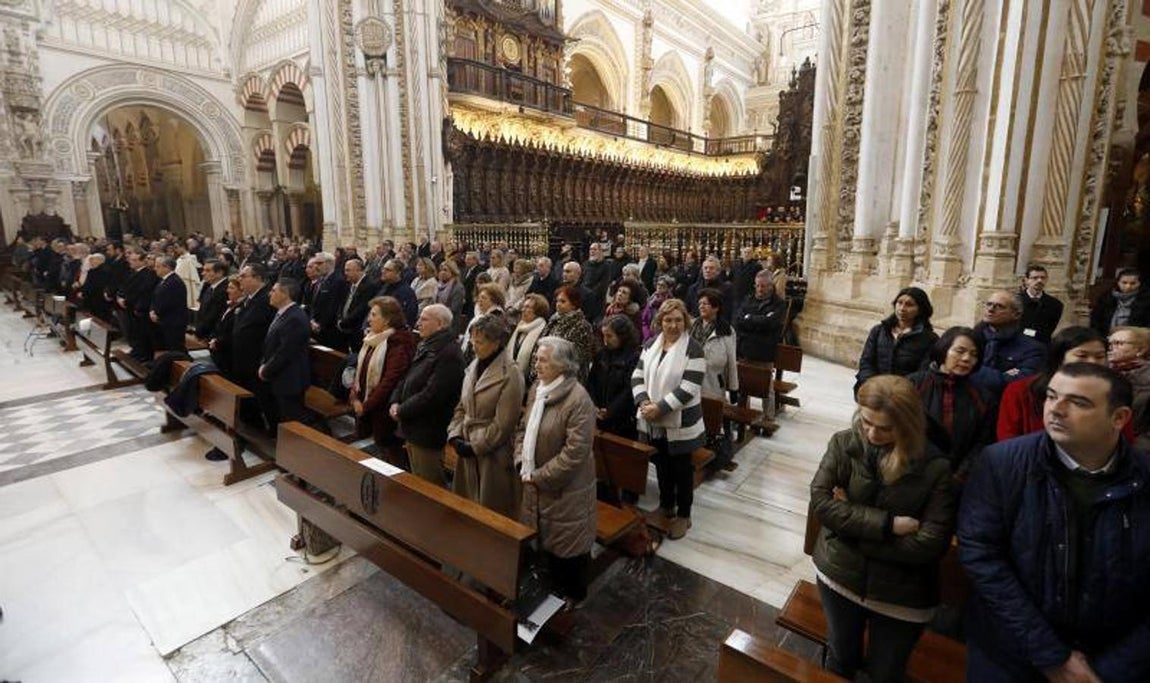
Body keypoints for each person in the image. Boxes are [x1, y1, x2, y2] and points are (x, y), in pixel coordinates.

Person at [959, 363, 1150, 681]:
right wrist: (1052, 656)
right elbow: (982, 556)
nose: (1056, 409)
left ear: (1119, 418)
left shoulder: (1144, 479)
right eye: (1051, 396)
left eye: (1078, 402)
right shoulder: (1002, 464)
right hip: (1011, 655)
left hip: (1111, 661)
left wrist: (1113, 669)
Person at [810, 375, 957, 682]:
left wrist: (848, 526)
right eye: (866, 422)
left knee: (886, 673)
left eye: (885, 428)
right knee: (839, 659)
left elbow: (930, 543)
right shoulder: (843, 442)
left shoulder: (936, 468)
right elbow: (822, 503)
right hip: (839, 578)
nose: (872, 433)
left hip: (902, 596)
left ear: (908, 425)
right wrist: (888, 525)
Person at [514, 336, 598, 602]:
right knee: (543, 548)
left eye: (543, 360)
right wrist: (520, 460)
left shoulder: (578, 399)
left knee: (568, 553)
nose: (536, 365)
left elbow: (575, 454)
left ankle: (573, 600)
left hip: (565, 492)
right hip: (534, 483)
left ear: (562, 366)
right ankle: (548, 599)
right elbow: (522, 430)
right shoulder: (538, 389)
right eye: (537, 358)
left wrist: (538, 477)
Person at [632, 298, 706, 540]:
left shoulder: (693, 348)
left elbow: (690, 387)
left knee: (682, 470)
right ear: (659, 321)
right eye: (668, 320)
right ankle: (666, 505)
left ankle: (684, 514)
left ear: (685, 321)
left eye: (678, 320)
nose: (673, 325)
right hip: (653, 419)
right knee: (662, 465)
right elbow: (637, 375)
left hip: (680, 421)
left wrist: (660, 408)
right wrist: (644, 402)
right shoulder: (651, 344)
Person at [448, 315, 525, 518]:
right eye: (472, 340)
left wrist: (476, 447)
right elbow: (461, 405)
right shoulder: (475, 364)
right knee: (465, 509)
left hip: (492, 455)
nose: (474, 346)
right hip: (467, 444)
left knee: (490, 513)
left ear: (496, 342)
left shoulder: (511, 373)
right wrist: (455, 435)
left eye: (479, 341)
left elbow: (504, 424)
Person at [389, 304, 465, 486]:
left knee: (429, 485)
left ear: (439, 324)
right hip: (414, 425)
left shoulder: (449, 354)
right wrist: (395, 401)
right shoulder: (427, 345)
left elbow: (432, 395)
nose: (418, 323)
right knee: (417, 482)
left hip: (428, 430)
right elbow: (407, 376)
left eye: (424, 319)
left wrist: (401, 410)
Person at [907, 327, 997, 479]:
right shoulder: (913, 385)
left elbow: (983, 442)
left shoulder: (983, 397)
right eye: (960, 351)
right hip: (911, 473)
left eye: (974, 354)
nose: (967, 359)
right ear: (944, 350)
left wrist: (960, 476)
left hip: (956, 479)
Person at [997, 326, 1107, 441]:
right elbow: (1008, 440)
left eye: (1100, 357)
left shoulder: (1112, 391)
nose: (1093, 362)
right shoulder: (1020, 390)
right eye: (1082, 356)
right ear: (1060, 358)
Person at [350, 296, 417, 468]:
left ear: (387, 320)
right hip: (371, 404)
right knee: (382, 452)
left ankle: (399, 487)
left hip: (385, 408)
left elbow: (390, 380)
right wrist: (355, 395)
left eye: (373, 315)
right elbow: (361, 371)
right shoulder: (374, 338)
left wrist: (366, 405)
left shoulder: (399, 343)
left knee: (392, 454)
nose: (369, 319)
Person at [855, 287, 938, 394]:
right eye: (899, 303)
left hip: (904, 395)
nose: (902, 308)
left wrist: (895, 389)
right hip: (873, 391)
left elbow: (923, 373)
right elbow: (866, 362)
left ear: (920, 309)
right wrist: (873, 384)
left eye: (909, 305)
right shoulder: (879, 331)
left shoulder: (930, 339)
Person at [733, 270, 787, 429]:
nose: (760, 289)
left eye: (763, 286)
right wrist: (758, 321)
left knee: (766, 386)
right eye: (757, 286)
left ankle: (769, 418)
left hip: (764, 351)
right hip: (745, 349)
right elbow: (738, 320)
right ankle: (742, 414)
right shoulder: (748, 299)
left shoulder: (778, 304)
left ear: (771, 286)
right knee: (742, 385)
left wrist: (750, 319)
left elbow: (771, 324)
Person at [257, 278, 312, 426]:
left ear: (285, 294)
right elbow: (271, 343)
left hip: (290, 378)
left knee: (292, 421)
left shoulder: (295, 318)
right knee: (283, 417)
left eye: (274, 291)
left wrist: (267, 370)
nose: (270, 294)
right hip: (280, 375)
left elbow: (286, 352)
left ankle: (296, 447)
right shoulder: (283, 313)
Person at [974, 290, 1047, 394]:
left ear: (1016, 314)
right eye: (988, 304)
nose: (990, 309)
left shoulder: (1032, 349)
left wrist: (970, 370)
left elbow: (1016, 384)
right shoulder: (971, 339)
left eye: (999, 306)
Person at [588, 315, 642, 441]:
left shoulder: (633, 358)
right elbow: (591, 381)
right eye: (604, 335)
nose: (605, 340)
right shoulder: (601, 355)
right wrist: (594, 405)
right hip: (598, 413)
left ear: (622, 336)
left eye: (610, 336)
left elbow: (629, 390)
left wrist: (611, 411)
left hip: (622, 420)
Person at [532, 285, 596, 384]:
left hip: (565, 380)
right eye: (557, 301)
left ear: (574, 304)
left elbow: (576, 357)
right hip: (544, 374)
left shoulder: (582, 326)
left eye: (563, 301)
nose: (558, 304)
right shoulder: (553, 320)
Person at [690, 287, 739, 405]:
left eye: (705, 304)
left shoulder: (726, 330)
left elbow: (732, 362)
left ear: (716, 307)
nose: (701, 306)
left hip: (713, 384)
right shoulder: (691, 326)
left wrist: (733, 388)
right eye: (700, 303)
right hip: (691, 381)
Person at [1108, 325, 1150, 449]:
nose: (1111, 348)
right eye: (1109, 343)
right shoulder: (1104, 371)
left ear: (1140, 350)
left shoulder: (1146, 378)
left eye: (1118, 343)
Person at [117, 248, 159, 362]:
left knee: (141, 333)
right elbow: (124, 286)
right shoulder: (132, 272)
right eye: (130, 260)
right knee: (133, 331)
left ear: (142, 261)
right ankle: (136, 350)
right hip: (130, 308)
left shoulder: (148, 274)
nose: (131, 262)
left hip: (138, 308)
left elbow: (141, 292)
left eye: (134, 260)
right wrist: (120, 296)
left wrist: (126, 301)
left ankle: (143, 354)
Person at [1089, 267, 1150, 336]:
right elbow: (1096, 320)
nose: (1128, 286)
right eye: (1124, 283)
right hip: (1106, 336)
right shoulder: (1107, 298)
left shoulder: (1146, 300)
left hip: (1134, 338)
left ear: (1139, 283)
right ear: (1118, 282)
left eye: (1133, 283)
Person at [335, 258, 379, 352]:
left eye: (348, 270)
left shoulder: (370, 285)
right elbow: (341, 303)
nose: (345, 273)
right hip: (344, 328)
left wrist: (344, 322)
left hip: (356, 329)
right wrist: (339, 318)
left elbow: (362, 309)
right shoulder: (348, 283)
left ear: (358, 270)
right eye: (345, 270)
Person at [149, 256, 189, 354]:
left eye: (158, 266)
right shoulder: (164, 280)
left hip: (174, 322)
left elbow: (170, 303)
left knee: (176, 349)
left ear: (167, 267)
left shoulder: (175, 282)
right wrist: (152, 310)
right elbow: (155, 298)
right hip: (164, 320)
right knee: (166, 347)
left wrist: (156, 312)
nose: (155, 269)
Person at [1018, 264, 1063, 344]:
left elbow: (1048, 330)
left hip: (1040, 344)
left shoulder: (1055, 305)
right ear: (1026, 280)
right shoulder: (1015, 301)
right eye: (1035, 278)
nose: (1039, 281)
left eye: (1043, 278)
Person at [509, 294, 549, 380]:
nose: (523, 310)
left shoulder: (543, 331)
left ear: (538, 311)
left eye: (527, 307)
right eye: (523, 306)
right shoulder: (520, 327)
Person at [376, 258, 418, 328]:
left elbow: (406, 318)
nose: (383, 272)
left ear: (398, 273)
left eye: (388, 270)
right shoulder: (383, 287)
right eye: (383, 269)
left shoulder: (406, 293)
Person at [194, 260, 229, 340]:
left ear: (219, 273)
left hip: (212, 336)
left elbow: (214, 316)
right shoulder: (210, 287)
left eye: (208, 270)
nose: (203, 273)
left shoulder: (224, 290)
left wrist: (200, 333)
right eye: (203, 270)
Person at [641, 275, 674, 341]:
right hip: (648, 335)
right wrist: (647, 334)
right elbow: (644, 320)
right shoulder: (651, 300)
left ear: (669, 288)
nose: (659, 287)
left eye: (662, 285)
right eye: (658, 284)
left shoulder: (670, 303)